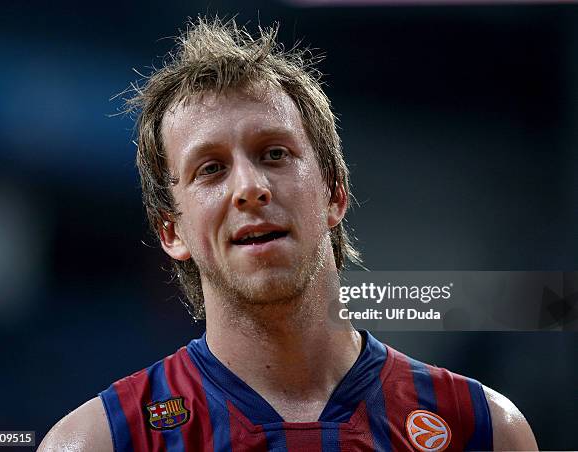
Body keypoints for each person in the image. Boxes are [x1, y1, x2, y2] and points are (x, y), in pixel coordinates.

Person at [39, 17, 538, 452]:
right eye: (210, 169)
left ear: (334, 194)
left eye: (275, 154)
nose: (250, 188)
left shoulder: (485, 430)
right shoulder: (98, 441)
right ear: (172, 231)